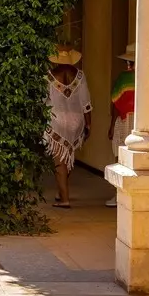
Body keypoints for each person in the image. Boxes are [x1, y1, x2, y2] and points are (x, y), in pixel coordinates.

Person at [45, 46, 90, 208]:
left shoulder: (49, 76)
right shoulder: (79, 75)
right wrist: (89, 123)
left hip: (56, 118)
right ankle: (61, 191)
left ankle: (65, 199)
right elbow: (85, 102)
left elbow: (43, 101)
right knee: (68, 156)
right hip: (76, 119)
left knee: (59, 161)